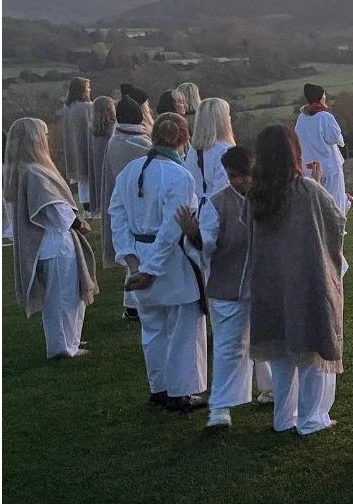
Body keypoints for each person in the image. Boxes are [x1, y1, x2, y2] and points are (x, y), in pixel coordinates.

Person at [247, 125, 346, 436]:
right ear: (294, 153)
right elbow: (336, 222)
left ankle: (284, 417)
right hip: (307, 279)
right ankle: (311, 418)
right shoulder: (308, 192)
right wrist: (318, 184)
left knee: (281, 353)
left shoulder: (256, 196)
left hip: (270, 281)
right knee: (311, 350)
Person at [110, 112, 209, 413]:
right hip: (170, 259)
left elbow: (117, 218)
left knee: (152, 328)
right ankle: (180, 392)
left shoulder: (129, 171)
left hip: (140, 254)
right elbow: (171, 227)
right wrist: (149, 269)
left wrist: (133, 262)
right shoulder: (179, 176)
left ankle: (160, 388)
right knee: (183, 328)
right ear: (184, 138)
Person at [176, 146, 275, 427]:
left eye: (243, 175)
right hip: (227, 286)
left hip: (265, 284)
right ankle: (220, 408)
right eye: (232, 176)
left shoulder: (270, 198)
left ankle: (273, 389)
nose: (238, 181)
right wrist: (195, 236)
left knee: (270, 340)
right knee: (229, 346)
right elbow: (207, 242)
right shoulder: (217, 203)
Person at [5, 118, 99, 359]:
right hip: (55, 244)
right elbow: (54, 208)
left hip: (48, 244)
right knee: (64, 298)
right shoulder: (34, 173)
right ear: (35, 139)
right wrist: (79, 223)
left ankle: (69, 339)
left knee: (64, 297)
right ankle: (63, 347)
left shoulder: (21, 171)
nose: (48, 138)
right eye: (44, 134)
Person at [105, 95, 154, 320]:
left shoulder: (115, 140)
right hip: (139, 197)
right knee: (139, 249)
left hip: (124, 195)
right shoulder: (142, 144)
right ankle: (136, 301)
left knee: (131, 249)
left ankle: (131, 303)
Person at [294, 83, 352, 215]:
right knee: (335, 203)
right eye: (324, 95)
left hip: (309, 167)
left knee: (316, 203)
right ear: (321, 97)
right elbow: (335, 138)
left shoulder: (301, 118)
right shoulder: (325, 117)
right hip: (329, 167)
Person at [184, 97, 236, 209]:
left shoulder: (193, 150)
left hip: (195, 210)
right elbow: (223, 190)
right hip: (216, 211)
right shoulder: (226, 151)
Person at [58, 77, 94, 215]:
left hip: (73, 145)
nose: (89, 90)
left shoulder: (67, 107)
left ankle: (86, 207)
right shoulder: (88, 107)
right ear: (81, 90)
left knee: (82, 179)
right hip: (86, 145)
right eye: (87, 87)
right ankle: (91, 207)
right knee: (89, 177)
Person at [88, 96, 116, 226]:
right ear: (108, 110)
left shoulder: (93, 130)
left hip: (98, 164)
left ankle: (100, 206)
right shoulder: (112, 128)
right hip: (108, 164)